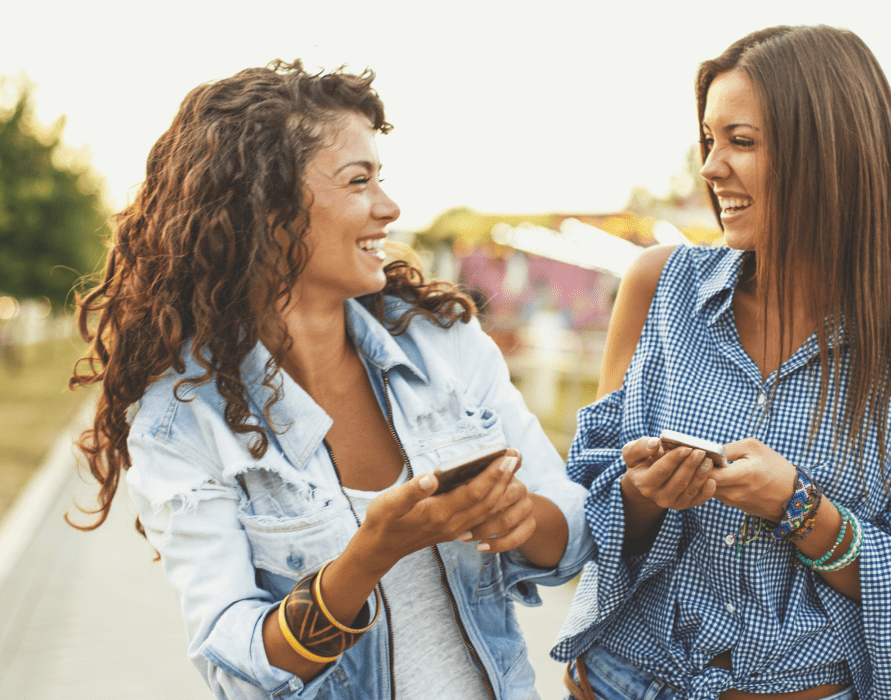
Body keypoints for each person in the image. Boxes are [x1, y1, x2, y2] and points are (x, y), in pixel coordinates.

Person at [68, 61, 592, 700]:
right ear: (267, 209)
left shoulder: (443, 343)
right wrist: (368, 557)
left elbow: (570, 528)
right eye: (358, 181)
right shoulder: (181, 419)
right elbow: (236, 663)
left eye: (381, 178)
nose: (389, 206)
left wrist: (517, 519)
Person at [550, 26, 891, 700]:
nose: (711, 167)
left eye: (740, 141)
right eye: (709, 140)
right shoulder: (657, 286)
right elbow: (588, 514)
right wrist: (644, 494)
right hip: (617, 680)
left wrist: (799, 507)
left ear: (829, 154)